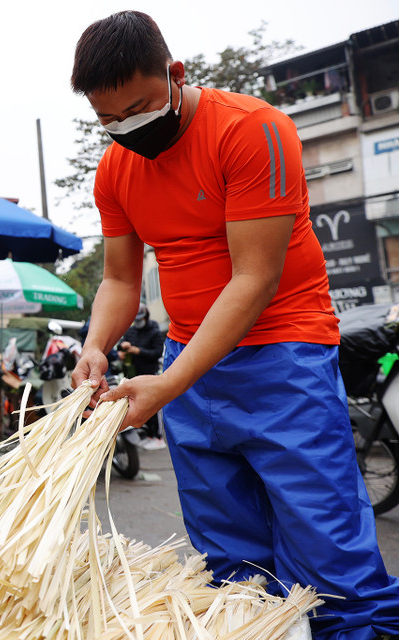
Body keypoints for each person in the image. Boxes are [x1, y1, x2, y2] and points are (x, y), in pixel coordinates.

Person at [68, 11, 399, 640]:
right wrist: (95, 346)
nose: (124, 130)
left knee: (327, 548)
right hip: (188, 360)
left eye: (137, 109)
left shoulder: (252, 131)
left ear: (176, 74)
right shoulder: (115, 169)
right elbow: (118, 278)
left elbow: (253, 279)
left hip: (283, 355)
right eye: (108, 120)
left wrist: (170, 383)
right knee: (232, 562)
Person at [117, 303, 165, 450]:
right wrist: (122, 349)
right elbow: (121, 345)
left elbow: (157, 353)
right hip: (133, 373)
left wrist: (138, 351)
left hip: (150, 373)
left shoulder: (155, 331)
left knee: (153, 405)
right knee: (140, 405)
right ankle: (148, 434)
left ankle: (157, 437)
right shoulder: (131, 331)